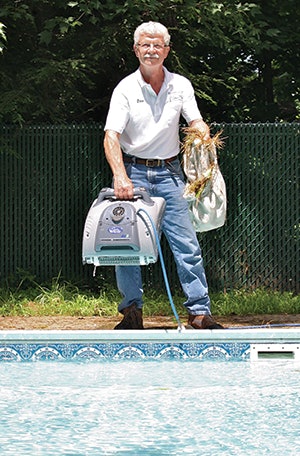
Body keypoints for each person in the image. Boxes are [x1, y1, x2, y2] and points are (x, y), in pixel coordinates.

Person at [103, 21, 223, 330]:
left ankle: (199, 312)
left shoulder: (180, 85)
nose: (151, 50)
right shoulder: (125, 89)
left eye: (157, 45)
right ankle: (132, 313)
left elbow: (195, 120)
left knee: (187, 245)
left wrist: (203, 137)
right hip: (134, 173)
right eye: (145, 45)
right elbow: (111, 136)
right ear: (136, 50)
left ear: (166, 50)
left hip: (170, 174)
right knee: (127, 248)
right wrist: (120, 177)